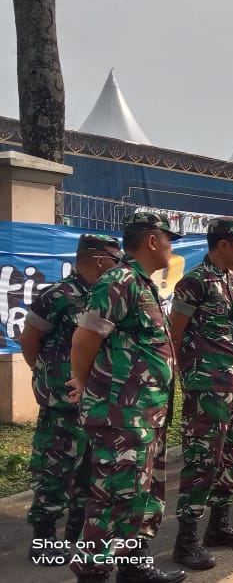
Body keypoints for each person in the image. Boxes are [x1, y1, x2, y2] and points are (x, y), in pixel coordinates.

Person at [67, 213, 186, 583]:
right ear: (152, 241)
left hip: (144, 415)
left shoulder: (142, 285)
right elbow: (84, 339)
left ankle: (134, 568)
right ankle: (93, 574)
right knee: (113, 499)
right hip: (121, 415)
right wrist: (87, 387)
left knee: (141, 494)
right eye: (168, 239)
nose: (171, 246)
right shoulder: (119, 281)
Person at [20, 234, 121, 565]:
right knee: (54, 471)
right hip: (63, 404)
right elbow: (30, 339)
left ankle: (76, 537)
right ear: (98, 259)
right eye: (114, 259)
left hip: (96, 399)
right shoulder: (60, 295)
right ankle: (44, 540)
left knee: (91, 474)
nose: (117, 266)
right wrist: (47, 376)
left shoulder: (104, 296)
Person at [167, 217, 233, 570]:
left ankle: (218, 526)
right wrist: (185, 378)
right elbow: (175, 335)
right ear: (223, 244)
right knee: (203, 462)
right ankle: (186, 540)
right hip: (207, 389)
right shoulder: (194, 283)